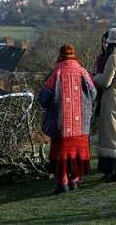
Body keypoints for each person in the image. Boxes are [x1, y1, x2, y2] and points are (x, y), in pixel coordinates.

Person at [38, 45, 97, 194]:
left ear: (60, 56)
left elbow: (43, 97)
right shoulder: (83, 72)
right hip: (81, 125)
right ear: (74, 56)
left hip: (61, 124)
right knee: (78, 153)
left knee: (61, 155)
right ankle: (75, 181)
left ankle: (62, 183)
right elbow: (94, 93)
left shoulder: (56, 73)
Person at [94, 28, 116, 181]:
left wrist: (95, 76)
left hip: (112, 101)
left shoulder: (114, 58)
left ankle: (115, 172)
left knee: (112, 138)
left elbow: (106, 81)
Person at [94, 31, 109, 116]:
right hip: (101, 94)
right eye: (103, 42)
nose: (105, 45)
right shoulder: (100, 58)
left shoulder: (115, 59)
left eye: (107, 42)